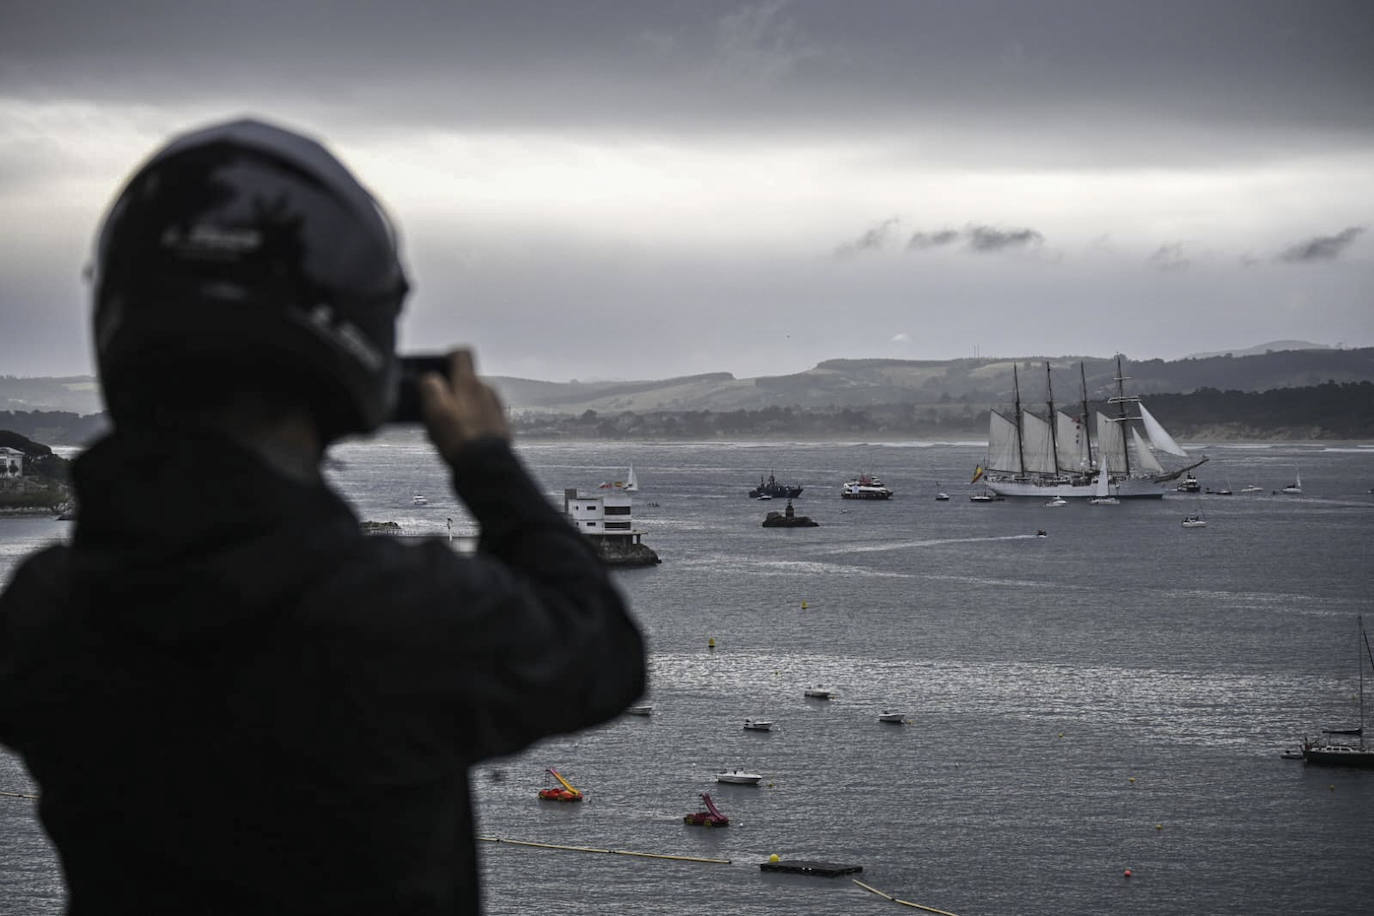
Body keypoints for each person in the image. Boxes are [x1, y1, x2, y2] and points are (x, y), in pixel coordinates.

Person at [0, 118, 646, 914]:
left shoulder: (42, 617)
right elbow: (602, 650)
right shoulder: (397, 617)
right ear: (354, 344)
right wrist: (485, 461)